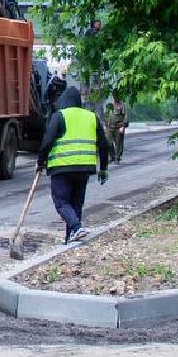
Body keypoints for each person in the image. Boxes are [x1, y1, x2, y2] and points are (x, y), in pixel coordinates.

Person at [37, 84, 110, 243]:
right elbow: (104, 144)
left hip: (61, 167)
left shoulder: (59, 116)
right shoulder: (92, 117)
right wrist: (103, 168)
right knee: (76, 203)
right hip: (84, 168)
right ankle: (70, 237)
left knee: (61, 202)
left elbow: (47, 141)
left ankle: (76, 228)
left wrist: (40, 161)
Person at [104, 97, 129, 164]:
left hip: (118, 126)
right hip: (110, 127)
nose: (115, 96)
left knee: (118, 143)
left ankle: (117, 157)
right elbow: (106, 114)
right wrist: (106, 122)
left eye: (116, 94)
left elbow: (126, 116)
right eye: (114, 94)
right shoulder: (110, 105)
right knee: (108, 141)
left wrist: (124, 124)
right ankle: (111, 156)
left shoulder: (123, 105)